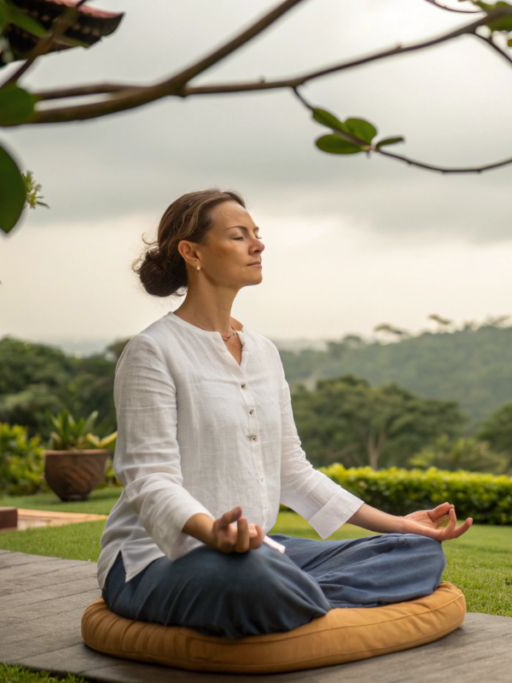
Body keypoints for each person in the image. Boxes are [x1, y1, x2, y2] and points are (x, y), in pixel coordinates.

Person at [96, 188, 473, 640]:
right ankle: (293, 597)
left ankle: (290, 598)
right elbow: (149, 479)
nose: (258, 245)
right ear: (192, 252)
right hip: (155, 560)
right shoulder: (153, 351)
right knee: (251, 576)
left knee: (415, 552)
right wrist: (211, 534)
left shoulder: (264, 354)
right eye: (239, 236)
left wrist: (400, 525)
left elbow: (293, 472)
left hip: (259, 551)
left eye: (257, 234)